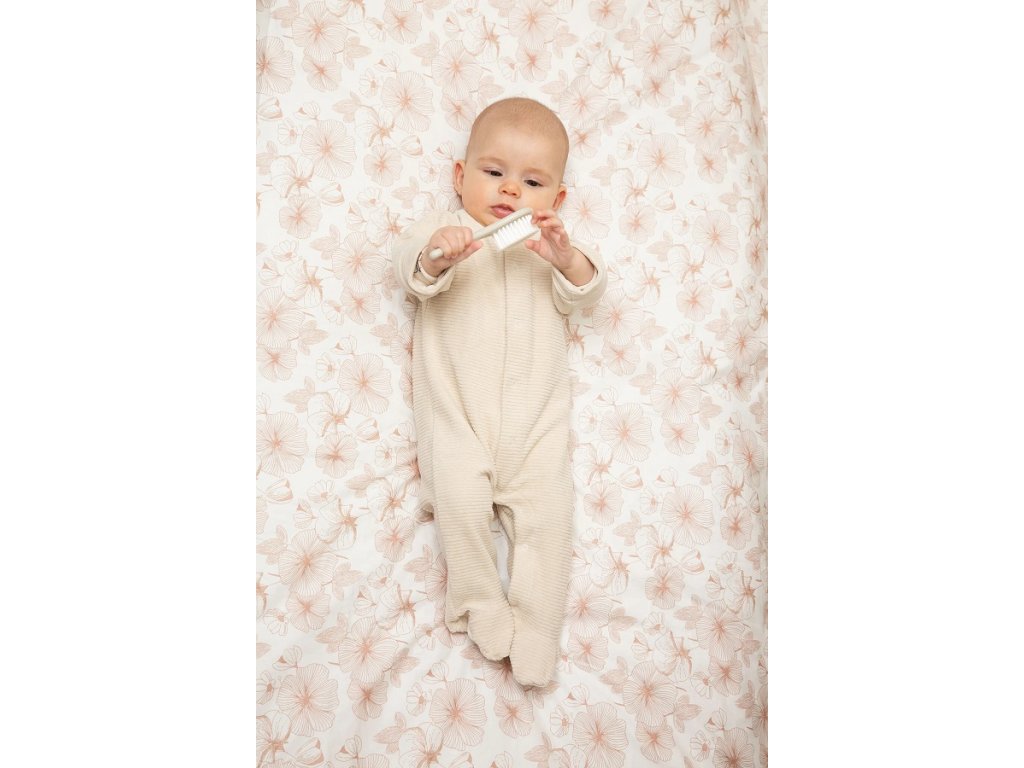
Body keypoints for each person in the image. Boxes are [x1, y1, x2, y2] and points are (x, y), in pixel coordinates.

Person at [392, 97, 607, 687]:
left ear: (557, 198)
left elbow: (588, 291)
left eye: (532, 183)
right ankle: (477, 598)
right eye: (494, 172)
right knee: (460, 505)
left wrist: (567, 258)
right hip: (459, 418)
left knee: (549, 522)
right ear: (460, 175)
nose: (511, 190)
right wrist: (437, 256)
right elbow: (412, 272)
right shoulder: (444, 233)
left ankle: (538, 624)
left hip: (536, 428)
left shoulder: (548, 249)